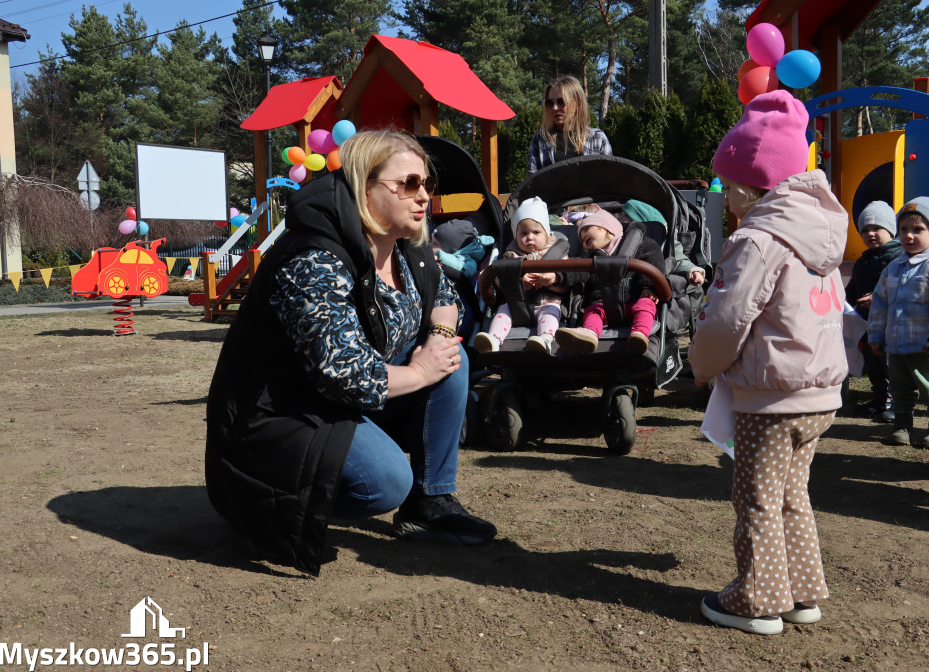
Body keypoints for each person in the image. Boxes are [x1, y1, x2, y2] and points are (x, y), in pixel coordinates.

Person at [205, 130, 496, 577]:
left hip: (334, 403)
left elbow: (446, 298)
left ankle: (430, 502)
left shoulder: (409, 246)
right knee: (383, 483)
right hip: (279, 416)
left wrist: (438, 336)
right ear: (364, 186)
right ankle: (272, 507)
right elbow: (348, 374)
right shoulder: (314, 256)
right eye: (409, 184)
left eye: (427, 185)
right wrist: (419, 371)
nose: (424, 197)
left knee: (451, 362)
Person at [688, 90, 849, 635]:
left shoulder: (757, 239)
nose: (726, 198)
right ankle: (801, 592)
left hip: (772, 391)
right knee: (790, 495)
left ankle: (756, 600)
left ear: (747, 186)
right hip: (819, 392)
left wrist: (702, 363)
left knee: (755, 496)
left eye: (727, 186)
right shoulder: (817, 232)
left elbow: (727, 317)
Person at [866, 197, 929, 449]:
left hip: (924, 346)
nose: (909, 236)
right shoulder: (893, 268)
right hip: (895, 344)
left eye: (918, 230)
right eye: (903, 229)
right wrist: (876, 335)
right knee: (900, 388)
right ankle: (902, 426)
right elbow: (881, 304)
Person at [554, 208, 665, 355]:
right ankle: (589, 334)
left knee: (646, 305)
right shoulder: (591, 259)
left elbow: (654, 262)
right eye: (581, 236)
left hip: (636, 297)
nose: (583, 235)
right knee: (592, 311)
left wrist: (649, 286)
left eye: (587, 229)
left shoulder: (642, 245)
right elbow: (577, 271)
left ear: (607, 228)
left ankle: (639, 335)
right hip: (603, 303)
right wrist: (558, 277)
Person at [473, 197, 568, 354]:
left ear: (546, 233)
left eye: (536, 232)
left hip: (547, 301)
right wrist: (518, 282)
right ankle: (494, 339)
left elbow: (568, 276)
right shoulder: (511, 254)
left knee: (552, 311)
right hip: (517, 305)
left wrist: (553, 278)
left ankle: (545, 339)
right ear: (516, 236)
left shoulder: (559, 252)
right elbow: (498, 280)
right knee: (503, 310)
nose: (530, 237)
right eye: (523, 233)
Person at [845, 201, 903, 422]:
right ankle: (880, 400)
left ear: (890, 229)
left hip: (891, 323)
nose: (871, 233)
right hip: (868, 324)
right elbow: (853, 290)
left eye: (877, 228)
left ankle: (896, 403)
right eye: (865, 230)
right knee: (874, 363)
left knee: (890, 365)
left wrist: (879, 298)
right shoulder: (863, 261)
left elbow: (902, 287)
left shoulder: (898, 257)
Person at [527, 75, 612, 174]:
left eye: (561, 101)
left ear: (578, 104)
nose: (555, 108)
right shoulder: (540, 139)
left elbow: (607, 180)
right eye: (550, 103)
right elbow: (532, 182)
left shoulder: (597, 138)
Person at [621, 199, 706, 287]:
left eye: (626, 215)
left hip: (646, 284)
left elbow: (679, 259)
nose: (620, 217)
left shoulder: (663, 243)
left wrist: (693, 270)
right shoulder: (619, 236)